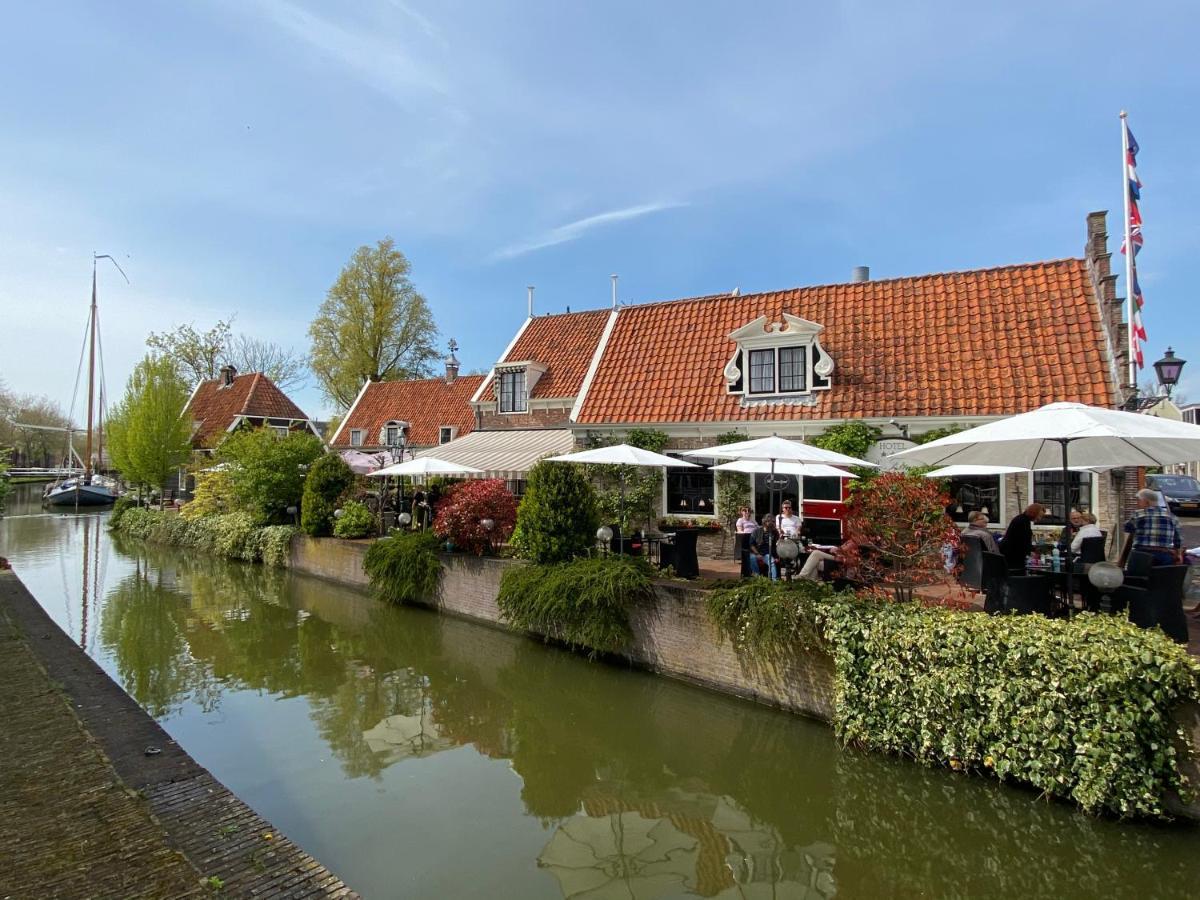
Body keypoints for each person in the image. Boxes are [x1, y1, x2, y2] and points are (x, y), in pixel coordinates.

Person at [1123, 488, 1182, 566]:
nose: (1138, 504)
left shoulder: (1138, 514)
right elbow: (1178, 540)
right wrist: (1178, 554)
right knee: (1162, 577)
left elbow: (1127, 528)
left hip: (1141, 555)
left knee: (1135, 577)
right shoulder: (1172, 517)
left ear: (1146, 502)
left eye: (1139, 501)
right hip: (1163, 556)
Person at [1000, 503, 1046, 570]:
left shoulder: (1022, 519)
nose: (1040, 518)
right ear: (1034, 513)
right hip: (1013, 558)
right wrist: (1032, 551)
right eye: (1039, 516)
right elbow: (1022, 541)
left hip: (1010, 555)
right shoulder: (1023, 522)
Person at [747, 514, 778, 580]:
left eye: (773, 521)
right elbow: (751, 544)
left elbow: (776, 545)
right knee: (752, 558)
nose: (771, 523)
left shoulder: (774, 532)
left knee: (772, 562)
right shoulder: (756, 531)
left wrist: (776, 556)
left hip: (767, 553)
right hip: (756, 552)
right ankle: (757, 578)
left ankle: (774, 581)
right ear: (764, 522)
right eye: (769, 521)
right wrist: (757, 554)